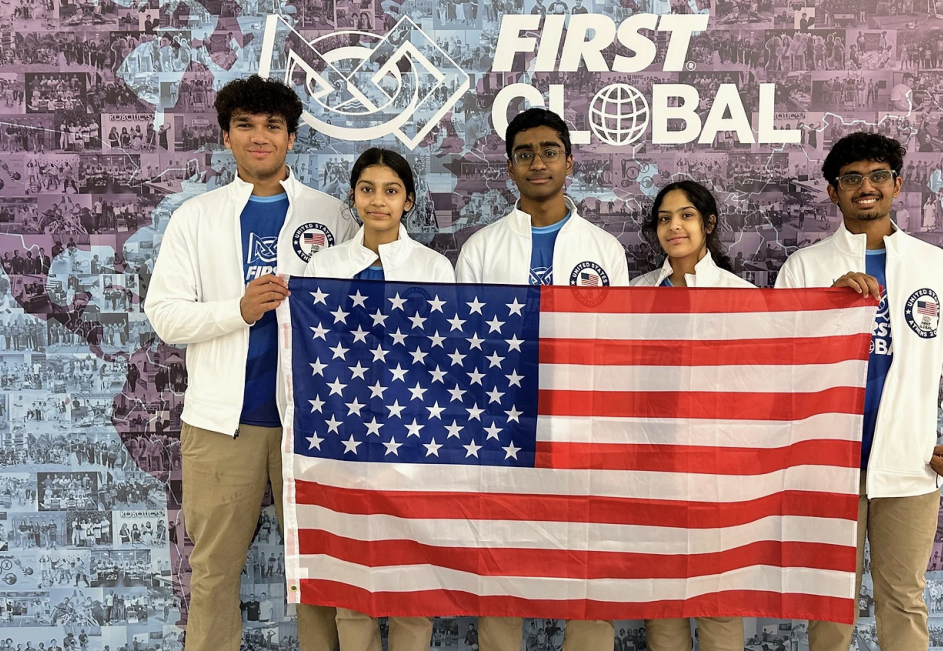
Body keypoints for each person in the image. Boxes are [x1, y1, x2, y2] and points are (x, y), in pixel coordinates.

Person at [143, 75, 356, 651]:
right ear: (226, 136)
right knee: (212, 573)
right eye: (245, 125)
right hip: (219, 426)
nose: (259, 137)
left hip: (312, 424)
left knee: (319, 572)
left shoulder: (334, 214)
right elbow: (164, 315)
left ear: (291, 138)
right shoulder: (197, 217)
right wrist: (236, 311)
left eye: (272, 127)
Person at [775, 131, 943, 651]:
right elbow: (780, 367)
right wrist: (826, 305)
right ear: (833, 192)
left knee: (904, 600)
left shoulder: (934, 267)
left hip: (911, 465)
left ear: (896, 184)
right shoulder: (806, 268)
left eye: (877, 177)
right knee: (829, 607)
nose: (865, 188)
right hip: (829, 466)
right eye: (851, 179)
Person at [455, 107, 627, 650]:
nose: (538, 162)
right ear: (509, 167)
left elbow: (618, 350)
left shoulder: (605, 250)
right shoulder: (481, 248)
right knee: (500, 571)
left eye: (549, 151)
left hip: (582, 430)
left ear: (570, 162)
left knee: (588, 570)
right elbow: (466, 352)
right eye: (525, 153)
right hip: (503, 431)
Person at [296, 147, 451, 650]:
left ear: (408, 201)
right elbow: (313, 344)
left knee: (411, 579)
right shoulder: (327, 263)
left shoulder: (433, 267)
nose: (378, 201)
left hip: (411, 438)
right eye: (367, 189)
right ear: (353, 196)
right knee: (353, 577)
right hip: (345, 437)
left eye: (391, 190)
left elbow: (443, 353)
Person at [632, 179, 749, 651]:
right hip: (652, 464)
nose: (674, 227)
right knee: (663, 601)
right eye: (664, 218)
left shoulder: (742, 297)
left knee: (717, 600)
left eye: (685, 216)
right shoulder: (636, 294)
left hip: (716, 468)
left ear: (709, 224)